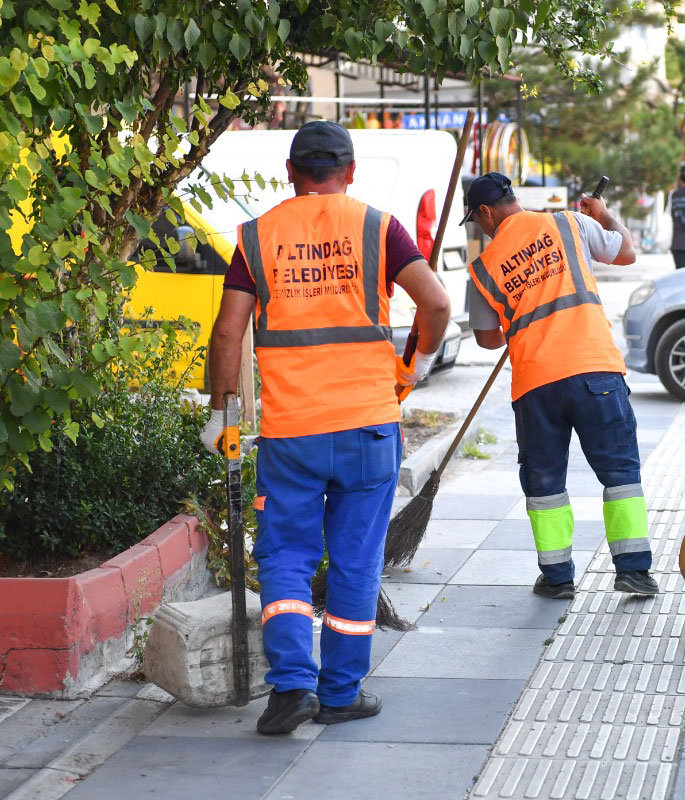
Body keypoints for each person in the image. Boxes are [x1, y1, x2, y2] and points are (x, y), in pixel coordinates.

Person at [200, 121, 451, 734]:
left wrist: (219, 409)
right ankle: (340, 692)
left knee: (285, 555)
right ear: (352, 170)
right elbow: (437, 303)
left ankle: (290, 689)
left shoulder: (257, 238)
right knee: (356, 562)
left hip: (293, 433)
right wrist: (413, 366)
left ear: (291, 172)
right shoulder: (378, 227)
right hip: (368, 426)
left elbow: (230, 331)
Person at [463, 171, 657, 600]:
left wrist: (518, 317)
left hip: (536, 383)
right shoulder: (570, 223)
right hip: (596, 370)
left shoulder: (481, 269)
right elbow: (626, 251)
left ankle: (557, 578)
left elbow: (488, 338)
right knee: (620, 473)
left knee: (545, 481)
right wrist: (605, 215)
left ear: (485, 212)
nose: (481, 228)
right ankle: (634, 572)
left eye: (477, 221)